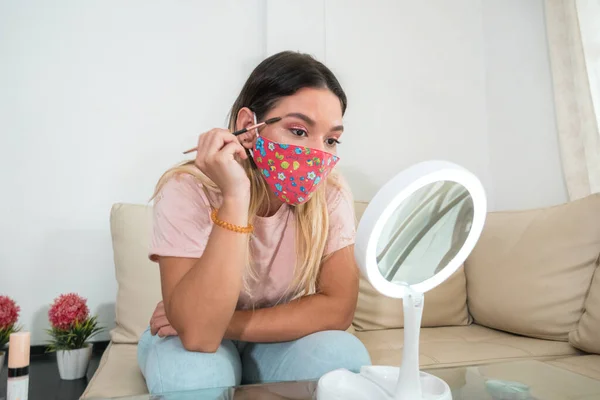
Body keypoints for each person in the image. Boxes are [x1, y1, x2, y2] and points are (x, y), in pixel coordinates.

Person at [137, 50, 372, 394]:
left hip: (273, 336)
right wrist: (235, 196)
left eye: (331, 139)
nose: (319, 153)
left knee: (344, 355)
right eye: (298, 131)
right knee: (192, 378)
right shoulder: (186, 188)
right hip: (195, 341)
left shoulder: (330, 192)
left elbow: (338, 309)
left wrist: (228, 324)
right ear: (249, 126)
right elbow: (199, 335)